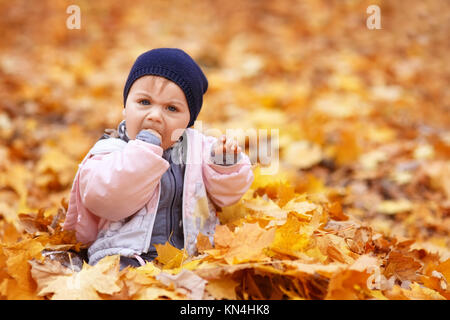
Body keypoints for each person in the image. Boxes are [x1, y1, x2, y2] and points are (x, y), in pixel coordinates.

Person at [63, 48, 254, 270]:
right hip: (125, 253)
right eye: (144, 102)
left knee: (217, 280)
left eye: (171, 108)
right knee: (119, 279)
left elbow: (226, 196)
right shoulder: (111, 149)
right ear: (126, 107)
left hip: (193, 255)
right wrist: (144, 151)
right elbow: (107, 201)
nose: (154, 115)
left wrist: (224, 165)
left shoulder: (199, 148)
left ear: (188, 121)